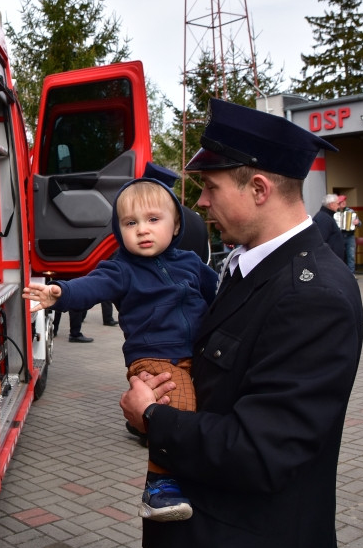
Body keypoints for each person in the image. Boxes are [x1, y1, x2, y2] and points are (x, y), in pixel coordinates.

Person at [119, 98, 363, 548]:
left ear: (258, 188)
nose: (200, 201)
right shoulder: (250, 268)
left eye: (210, 186)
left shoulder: (312, 296)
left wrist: (152, 417)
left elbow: (261, 452)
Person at [24, 174, 218, 521]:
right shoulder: (122, 269)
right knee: (178, 407)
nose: (142, 230)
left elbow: (217, 296)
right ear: (118, 230)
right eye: (131, 223)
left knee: (204, 407)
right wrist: (61, 293)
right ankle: (158, 487)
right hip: (154, 357)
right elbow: (92, 286)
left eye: (153, 220)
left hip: (195, 354)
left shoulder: (191, 263)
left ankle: (191, 476)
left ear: (175, 226)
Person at [312, 193, 345, 260]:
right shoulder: (324, 218)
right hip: (329, 260)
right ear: (331, 204)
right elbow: (322, 241)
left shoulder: (326, 216)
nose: (338, 207)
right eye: (337, 204)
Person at [334, 195, 361, 273]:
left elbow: (360, 223)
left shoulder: (351, 211)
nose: (344, 203)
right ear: (338, 204)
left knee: (351, 255)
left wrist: (357, 222)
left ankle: (351, 273)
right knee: (340, 255)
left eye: (344, 201)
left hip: (350, 236)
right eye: (342, 202)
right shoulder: (335, 212)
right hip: (340, 236)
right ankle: (342, 273)